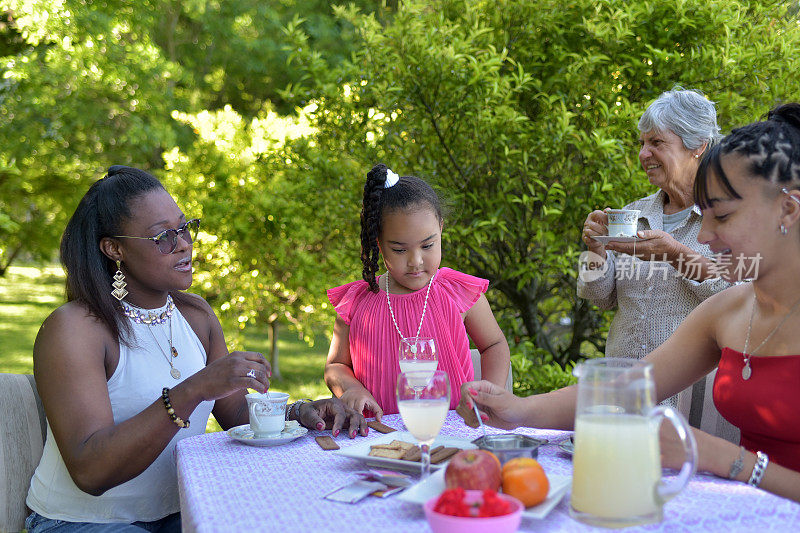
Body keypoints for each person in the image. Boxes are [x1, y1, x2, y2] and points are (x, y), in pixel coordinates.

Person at [459, 103, 800, 503]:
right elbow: (625, 388)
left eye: (722, 216)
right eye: (703, 215)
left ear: (788, 210)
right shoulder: (729, 310)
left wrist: (721, 457)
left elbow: (725, 459)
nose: (705, 234)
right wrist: (518, 409)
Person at [25, 166, 367, 532]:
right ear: (114, 248)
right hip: (80, 521)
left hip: (179, 512)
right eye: (163, 237)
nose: (185, 243)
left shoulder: (196, 315)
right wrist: (194, 389)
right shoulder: (75, 329)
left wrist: (301, 412)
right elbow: (90, 472)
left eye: (184, 228)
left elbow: (236, 413)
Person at [578, 88, 737, 441]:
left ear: (697, 146)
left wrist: (675, 254)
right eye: (641, 143)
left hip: (694, 403)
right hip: (625, 392)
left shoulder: (728, 215)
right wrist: (595, 251)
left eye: (656, 143)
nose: (643, 154)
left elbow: (740, 295)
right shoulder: (637, 213)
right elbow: (599, 295)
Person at [324, 163, 511, 420]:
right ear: (378, 243)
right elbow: (336, 365)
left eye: (428, 245)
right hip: (379, 437)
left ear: (441, 229)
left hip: (452, 431)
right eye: (400, 250)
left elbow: (494, 344)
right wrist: (352, 388)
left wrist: (492, 394)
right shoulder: (357, 302)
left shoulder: (457, 292)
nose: (416, 261)